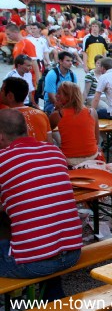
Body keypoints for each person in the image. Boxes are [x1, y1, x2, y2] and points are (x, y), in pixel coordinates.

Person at [0, 109, 82, 300]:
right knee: (42, 237)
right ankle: (53, 298)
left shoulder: (3, 160)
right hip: (72, 252)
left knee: (31, 245)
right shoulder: (54, 151)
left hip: (34, 263)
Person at [49, 82, 102, 167]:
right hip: (93, 157)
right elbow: (97, 140)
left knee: (53, 139)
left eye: (59, 93)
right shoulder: (92, 112)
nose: (56, 96)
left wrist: (56, 109)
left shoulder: (58, 115)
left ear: (68, 96)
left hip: (69, 160)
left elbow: (46, 132)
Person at [0, 77, 52, 143]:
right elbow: (50, 142)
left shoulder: (4, 118)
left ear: (10, 96)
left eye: (1, 90)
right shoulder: (42, 114)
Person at [43, 51, 77, 115]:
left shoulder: (73, 75)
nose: (70, 63)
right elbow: (51, 97)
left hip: (67, 103)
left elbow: (75, 94)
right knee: (62, 114)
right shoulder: (52, 74)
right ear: (60, 61)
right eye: (68, 61)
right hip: (51, 103)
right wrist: (63, 109)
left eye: (71, 61)